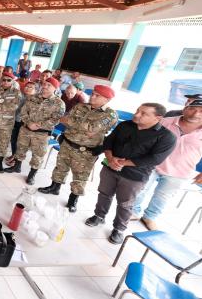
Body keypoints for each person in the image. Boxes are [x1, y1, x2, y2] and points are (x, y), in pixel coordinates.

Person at [85, 103, 176, 244]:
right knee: (104, 193)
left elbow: (154, 159)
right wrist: (110, 159)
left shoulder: (166, 137)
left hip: (134, 176)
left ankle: (119, 229)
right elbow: (108, 142)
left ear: (158, 118)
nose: (137, 114)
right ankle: (99, 216)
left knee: (125, 203)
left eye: (143, 113)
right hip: (110, 168)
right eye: (137, 110)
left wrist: (121, 163)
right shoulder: (126, 125)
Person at [39, 85, 119, 213]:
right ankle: (54, 187)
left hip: (85, 151)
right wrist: (77, 124)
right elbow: (64, 119)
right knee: (60, 167)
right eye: (93, 93)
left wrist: (73, 122)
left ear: (107, 100)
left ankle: (73, 200)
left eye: (97, 95)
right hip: (67, 143)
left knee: (80, 177)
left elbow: (91, 129)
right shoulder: (81, 106)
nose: (92, 96)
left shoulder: (110, 114)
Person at [132, 99, 202, 230]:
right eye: (193, 108)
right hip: (152, 164)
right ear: (185, 108)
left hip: (180, 171)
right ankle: (134, 211)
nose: (196, 114)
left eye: (201, 110)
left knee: (163, 196)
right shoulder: (166, 121)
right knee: (140, 188)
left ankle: (150, 217)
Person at [5, 78, 65, 184]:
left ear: (55, 88)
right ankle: (16, 167)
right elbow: (24, 112)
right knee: (20, 149)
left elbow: (55, 120)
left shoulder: (59, 103)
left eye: (49, 85)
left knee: (38, 155)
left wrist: (38, 125)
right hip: (25, 129)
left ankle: (31, 175)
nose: (45, 87)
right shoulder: (32, 98)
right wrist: (29, 123)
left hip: (42, 133)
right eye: (45, 84)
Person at [4, 81, 38, 164]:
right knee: (13, 139)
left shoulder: (36, 100)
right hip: (16, 120)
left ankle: (17, 160)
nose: (28, 88)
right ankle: (14, 155)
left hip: (26, 124)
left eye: (31, 87)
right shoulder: (20, 96)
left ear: (35, 90)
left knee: (21, 142)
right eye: (27, 86)